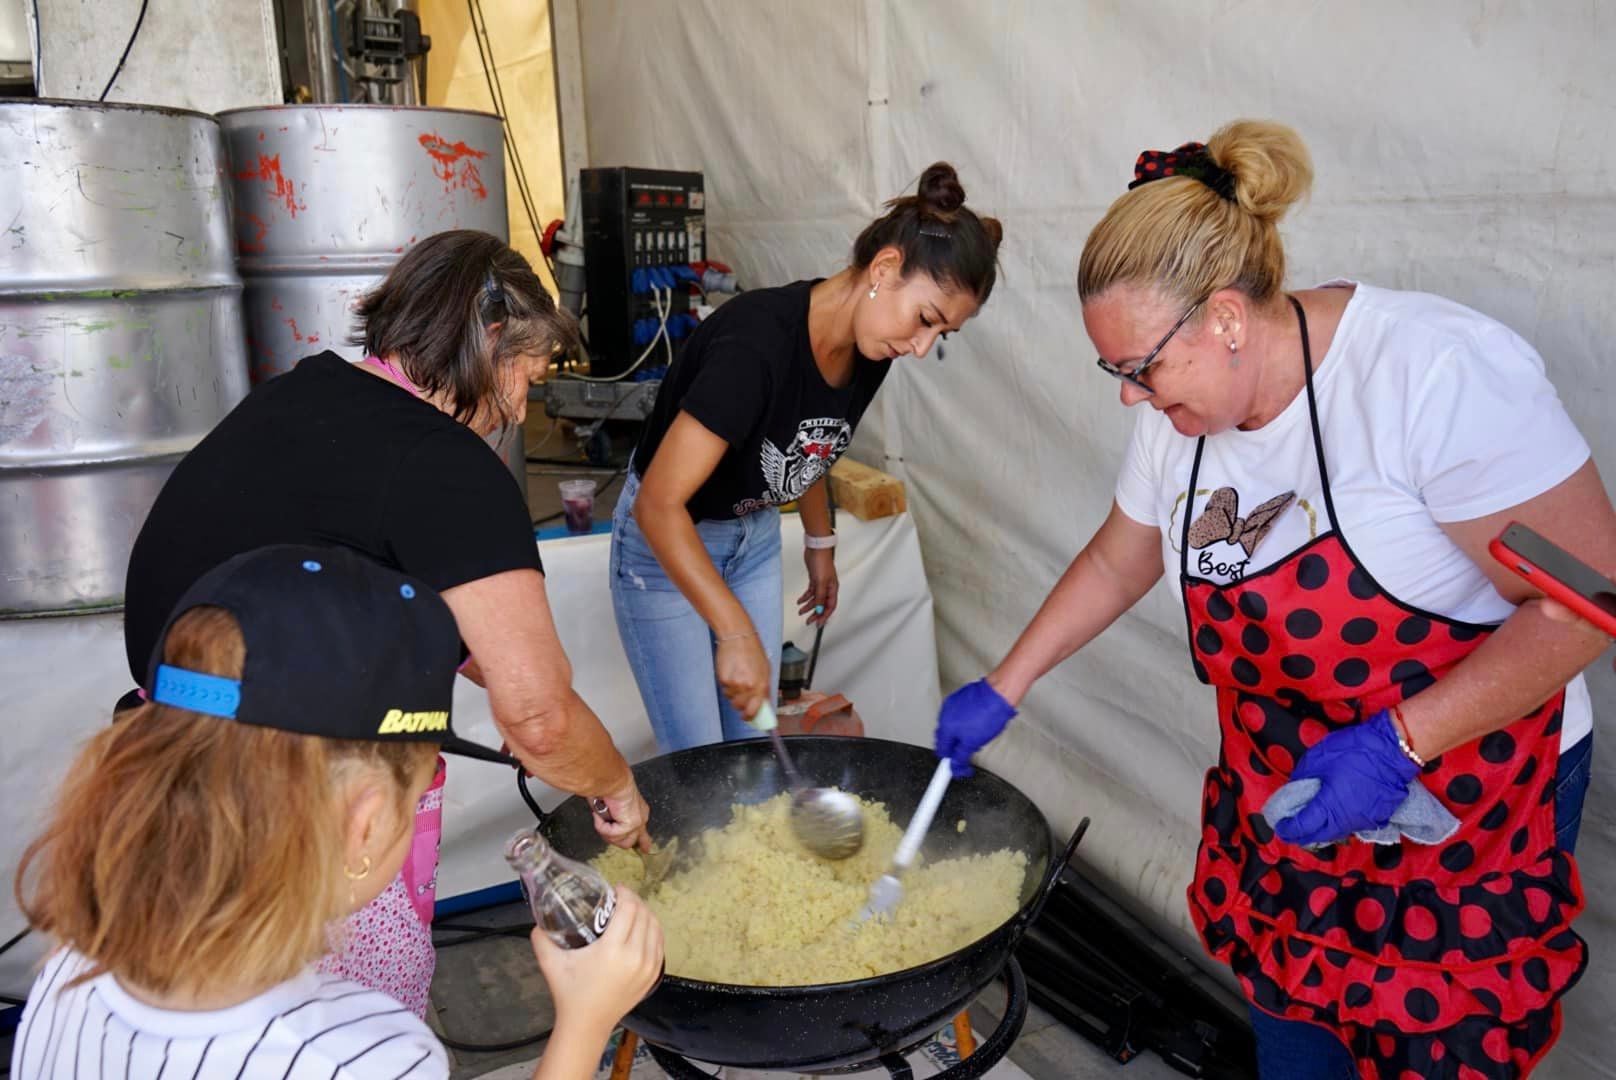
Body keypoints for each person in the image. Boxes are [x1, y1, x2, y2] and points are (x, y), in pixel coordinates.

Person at [934, 120, 1616, 1077]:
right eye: (1114, 373)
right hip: (1288, 794)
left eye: (1140, 370)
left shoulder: (1433, 377)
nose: (1130, 399)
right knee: (1297, 1048)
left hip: (1461, 797)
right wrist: (1007, 684)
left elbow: (1590, 600)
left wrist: (1399, 743)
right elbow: (1118, 560)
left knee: (1435, 1051)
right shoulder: (1183, 415)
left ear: (1224, 316)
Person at [119, 230, 652, 1014]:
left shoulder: (299, 393)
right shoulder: (446, 463)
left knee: (216, 1028)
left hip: (162, 778)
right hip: (304, 815)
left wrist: (484, 660)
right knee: (351, 1034)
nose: (514, 411)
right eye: (524, 380)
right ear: (490, 340)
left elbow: (350, 560)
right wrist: (614, 784)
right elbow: (537, 719)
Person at [13, 545, 662, 1079]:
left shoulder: (73, 963)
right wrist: (583, 1023)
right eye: (417, 797)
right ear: (365, 824)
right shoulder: (359, 1052)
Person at [613, 163, 1003, 750]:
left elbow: (807, 442)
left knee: (749, 751)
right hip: (669, 541)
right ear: (885, 267)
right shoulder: (755, 346)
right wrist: (735, 633)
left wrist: (820, 543)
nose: (921, 348)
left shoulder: (872, 349)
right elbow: (659, 505)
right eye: (926, 320)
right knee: (695, 761)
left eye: (939, 335)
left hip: (754, 537)